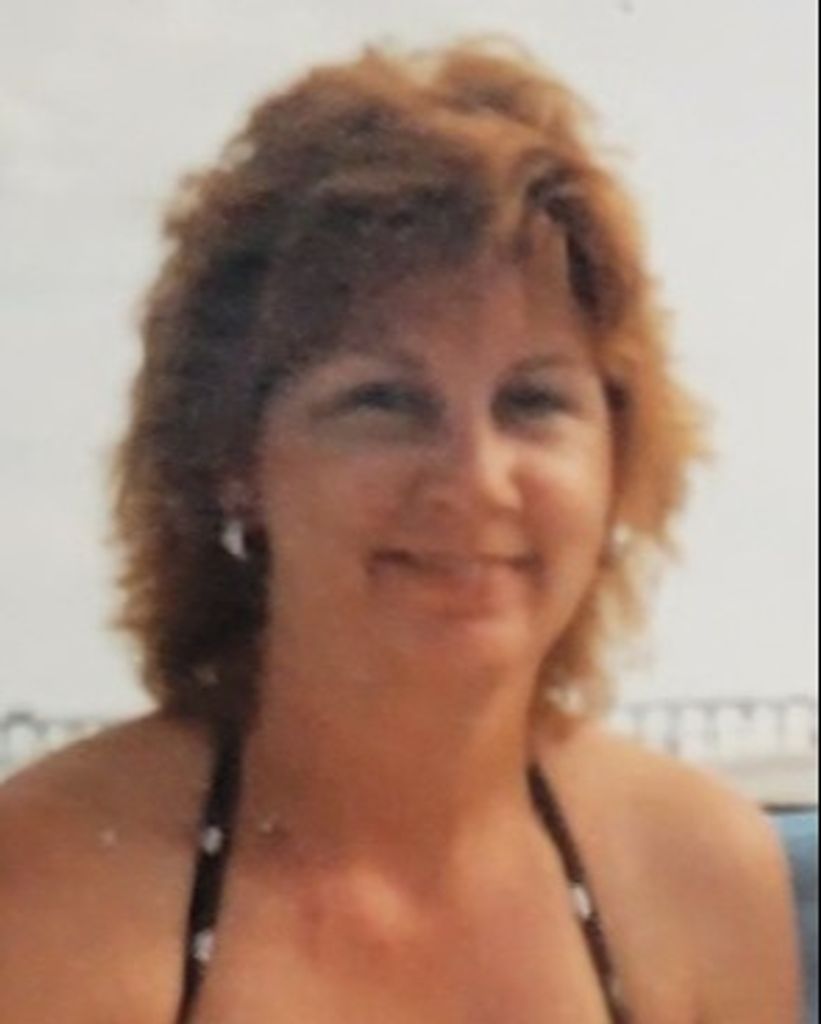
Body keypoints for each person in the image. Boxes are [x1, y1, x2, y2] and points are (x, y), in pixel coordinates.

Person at [0, 39, 800, 1023]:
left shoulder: (700, 875)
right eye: (382, 400)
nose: (475, 479)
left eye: (533, 400)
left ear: (618, 454)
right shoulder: (47, 888)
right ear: (233, 462)